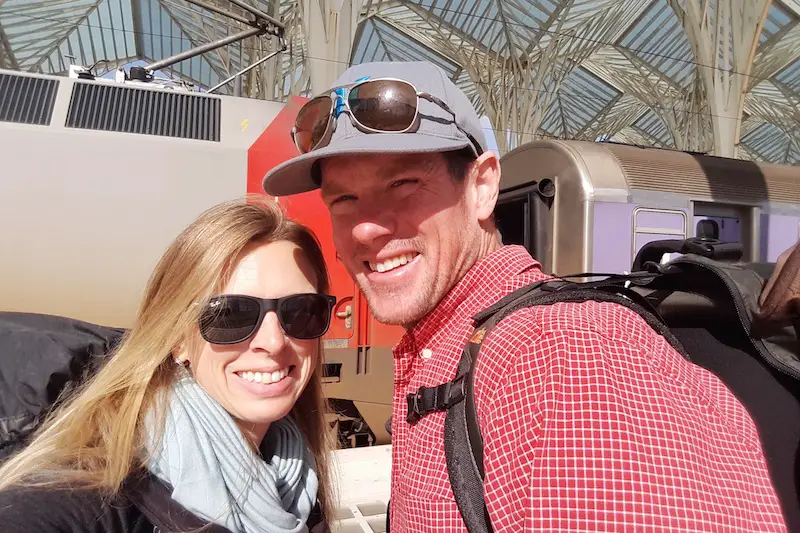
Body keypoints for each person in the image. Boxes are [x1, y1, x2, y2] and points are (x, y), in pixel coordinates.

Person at [262, 61, 789, 531]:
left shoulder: (564, 355)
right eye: (344, 200)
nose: (366, 230)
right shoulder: (447, 348)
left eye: (402, 184)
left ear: (483, 186)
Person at [0, 195, 337, 533]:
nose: (274, 341)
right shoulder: (88, 497)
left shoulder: (294, 478)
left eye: (302, 310)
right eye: (231, 314)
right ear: (178, 339)